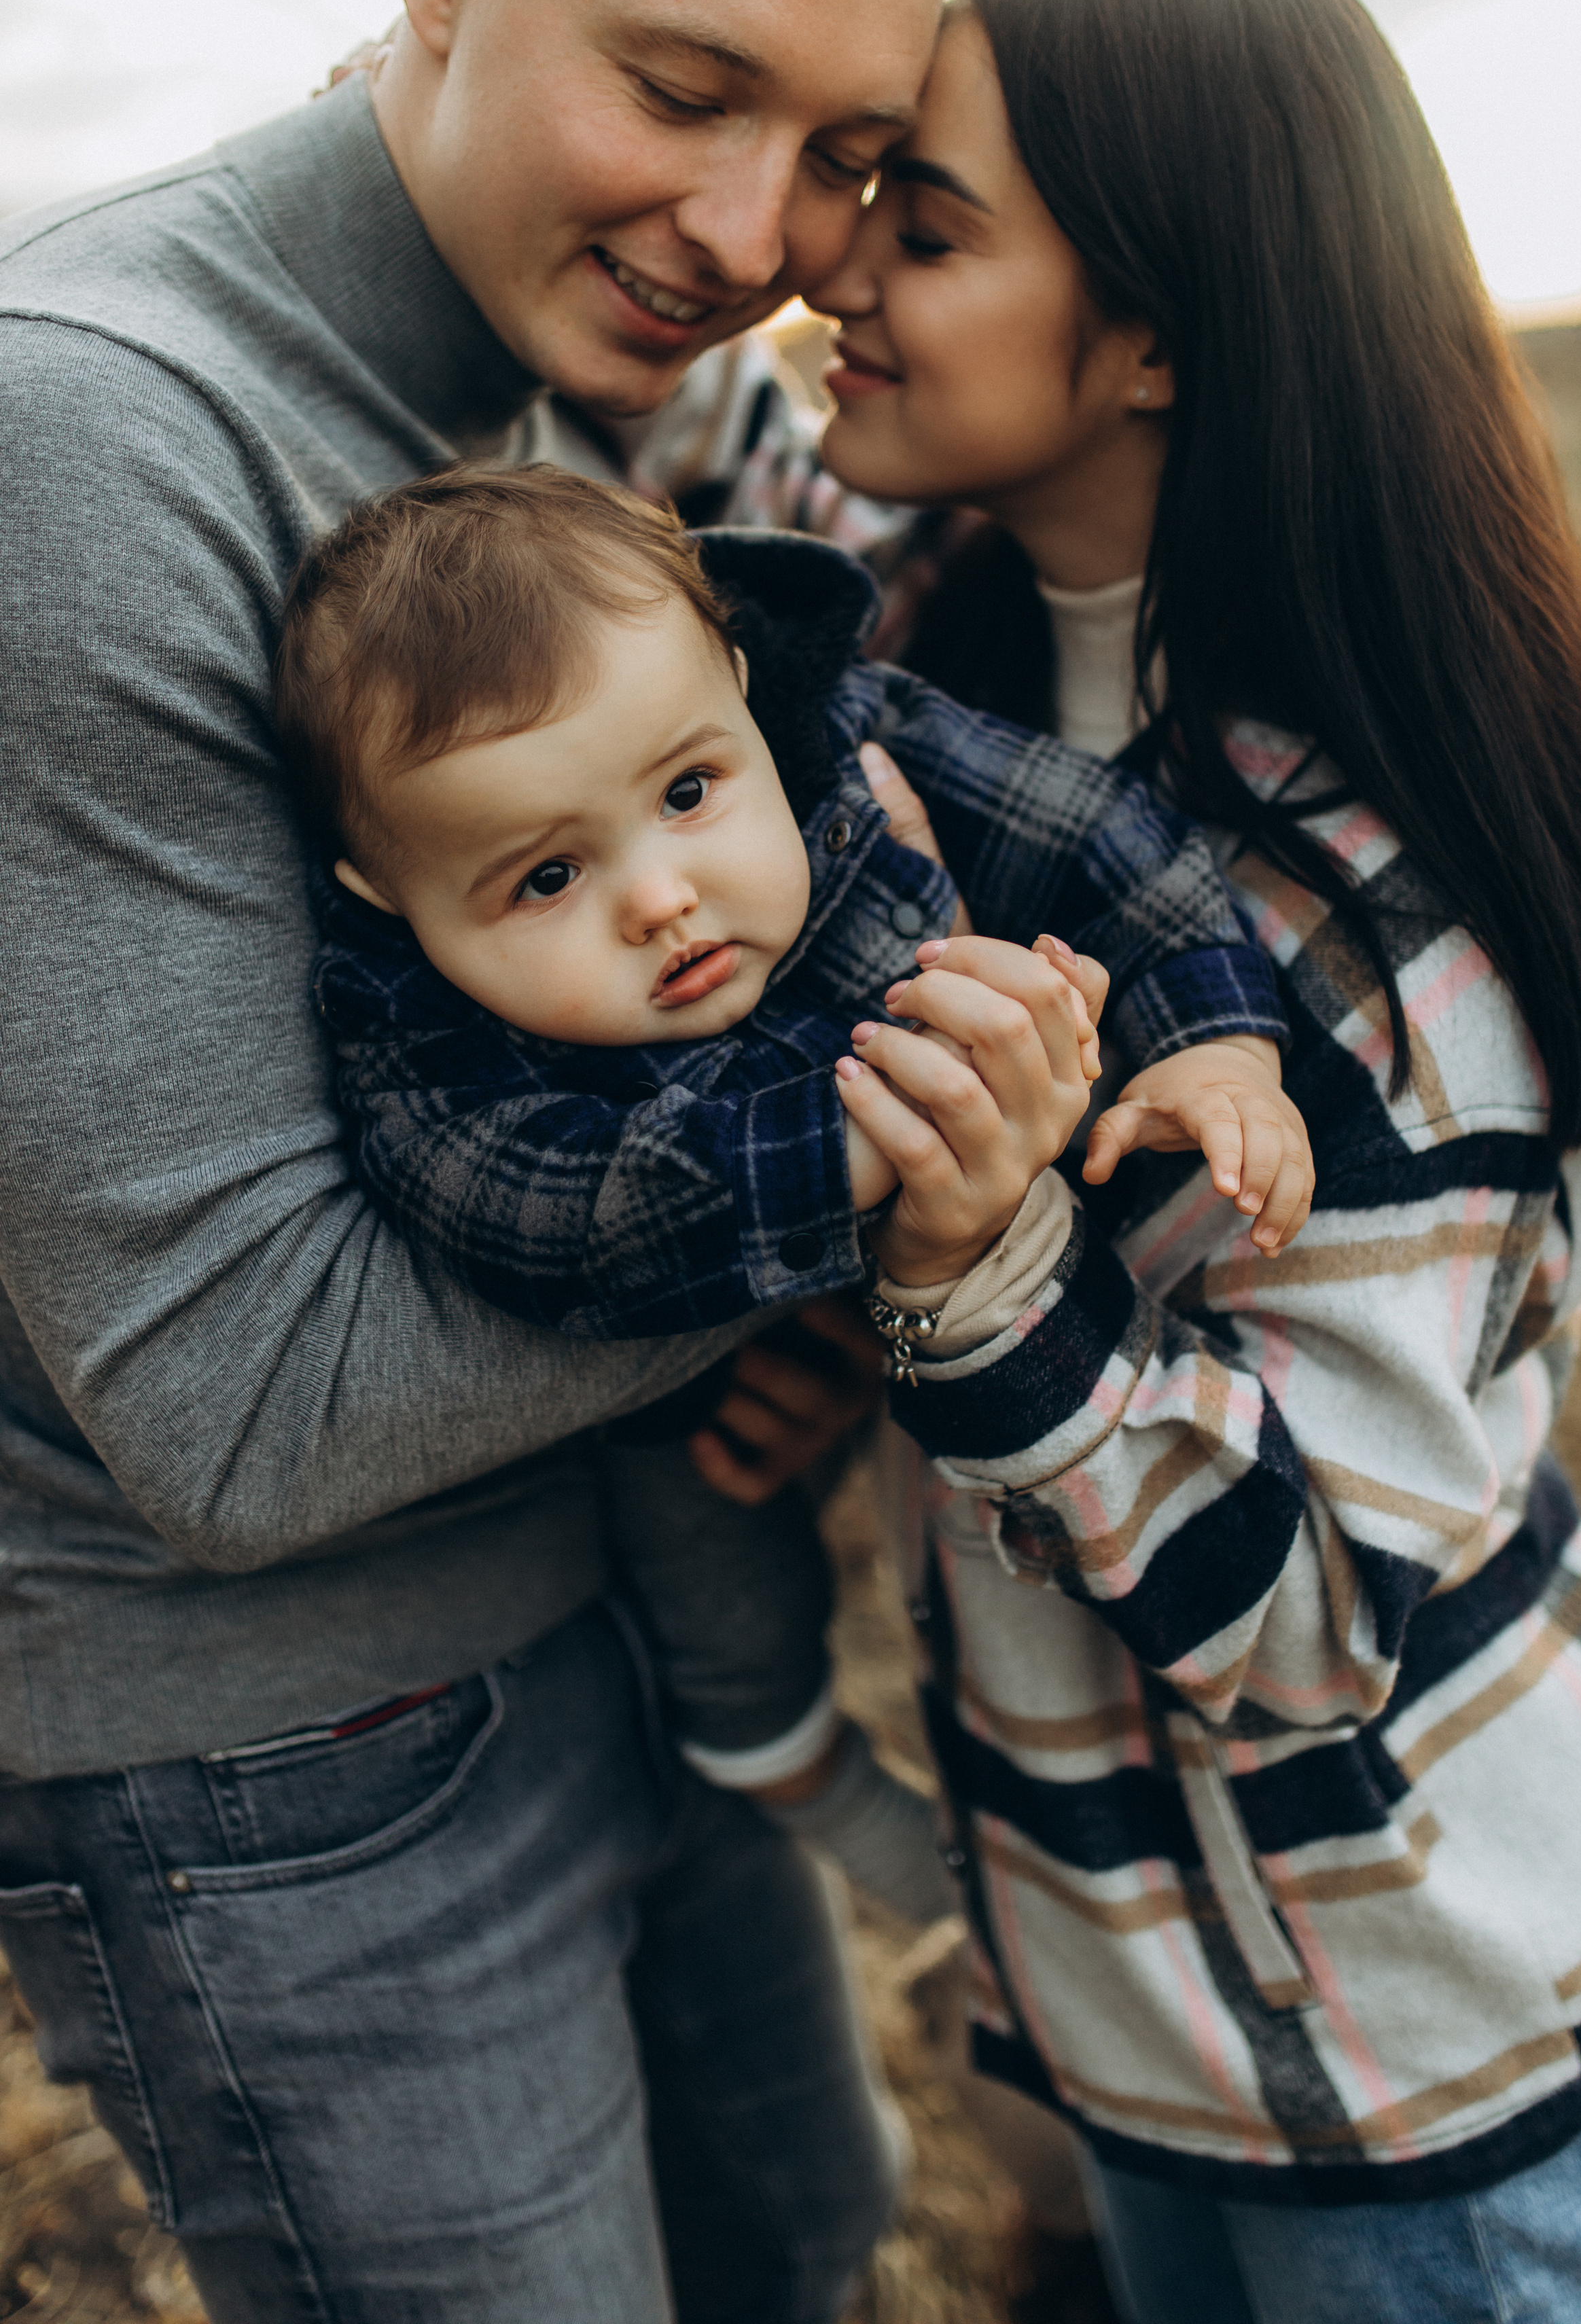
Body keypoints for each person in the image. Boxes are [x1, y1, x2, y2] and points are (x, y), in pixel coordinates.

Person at [0, 0, 974, 2316]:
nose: (754, 231)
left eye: (844, 148)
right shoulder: (83, 443)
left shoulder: (597, 370)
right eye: (683, 86)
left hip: (628, 1594)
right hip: (292, 1753)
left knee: (809, 2238)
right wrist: (883, 1205)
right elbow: (234, 1404)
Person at [794, 0, 1581, 2321]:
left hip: (1395, 2051)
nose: (830, 270)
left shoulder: (1371, 939)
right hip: (1124, 1996)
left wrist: (972, 1287)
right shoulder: (937, 690)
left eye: (926, 227)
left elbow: (1301, 1628)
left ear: (1162, 337)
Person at [271, 461, 1309, 1915]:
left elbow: (1089, 832)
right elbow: (563, 1219)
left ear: (745, 696)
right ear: (391, 896)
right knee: (708, 1548)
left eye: (689, 793)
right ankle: (784, 1753)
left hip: (953, 1345)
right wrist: (889, 1130)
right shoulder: (412, 1033)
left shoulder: (846, 738)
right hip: (688, 1377)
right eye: (546, 879)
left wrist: (1217, 1043)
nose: (659, 897)